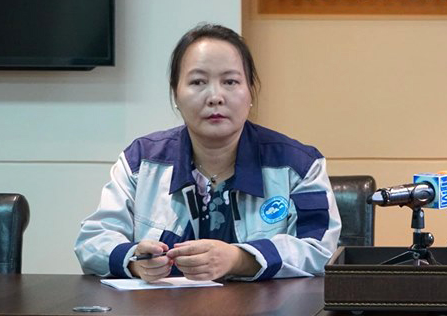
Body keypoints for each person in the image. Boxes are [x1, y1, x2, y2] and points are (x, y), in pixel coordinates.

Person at [75, 24, 340, 281]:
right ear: (175, 94)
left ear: (250, 92)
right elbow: (92, 241)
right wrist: (133, 260)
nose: (215, 96)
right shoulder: (141, 162)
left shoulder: (298, 165)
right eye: (198, 82)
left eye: (230, 81)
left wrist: (239, 259)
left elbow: (321, 250)